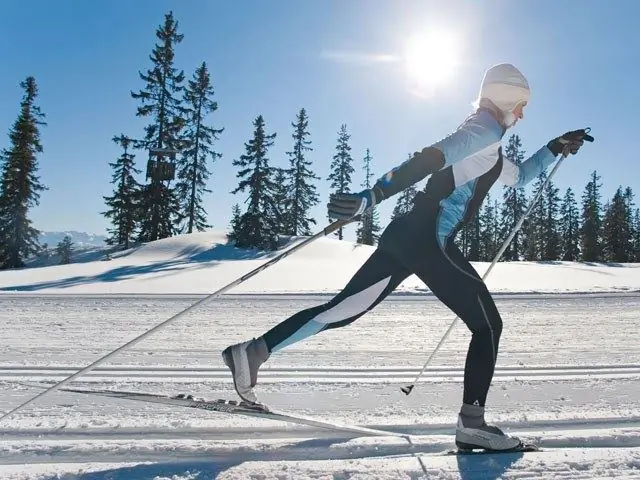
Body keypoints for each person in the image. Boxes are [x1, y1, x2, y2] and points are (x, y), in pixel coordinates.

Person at [222, 63, 592, 451]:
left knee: (341, 310)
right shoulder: (484, 129)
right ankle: (473, 423)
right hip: (429, 237)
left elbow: (518, 176)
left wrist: (555, 148)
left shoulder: (488, 142)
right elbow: (429, 158)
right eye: (521, 104)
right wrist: (372, 196)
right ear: (504, 98)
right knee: (488, 327)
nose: (522, 114)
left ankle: (253, 352)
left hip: (408, 234)